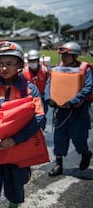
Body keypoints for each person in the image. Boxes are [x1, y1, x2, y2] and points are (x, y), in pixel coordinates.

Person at [0, 41, 46, 208]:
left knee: (15, 189)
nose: (4, 68)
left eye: (9, 64)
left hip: (18, 149)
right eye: (0, 64)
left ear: (20, 65)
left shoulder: (29, 90)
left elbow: (39, 118)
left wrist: (15, 140)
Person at [45, 41, 93, 177]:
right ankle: (59, 164)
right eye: (62, 56)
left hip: (79, 111)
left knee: (79, 139)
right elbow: (50, 83)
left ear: (75, 56)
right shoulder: (59, 68)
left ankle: (85, 154)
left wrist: (72, 102)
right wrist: (50, 99)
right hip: (61, 111)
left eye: (66, 55)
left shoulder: (85, 69)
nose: (63, 58)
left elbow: (88, 88)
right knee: (59, 138)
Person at [22, 49, 49, 128]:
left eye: (34, 60)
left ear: (38, 60)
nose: (32, 63)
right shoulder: (23, 72)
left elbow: (49, 84)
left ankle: (41, 130)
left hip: (42, 97)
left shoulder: (45, 70)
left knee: (41, 116)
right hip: (29, 98)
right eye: (31, 61)